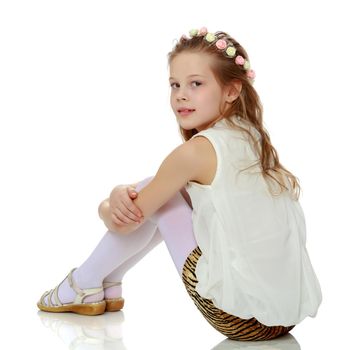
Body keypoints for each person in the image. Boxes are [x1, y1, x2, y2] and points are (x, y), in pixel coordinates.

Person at [37, 27, 322, 341]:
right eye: (175, 85)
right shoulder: (250, 138)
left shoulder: (195, 153)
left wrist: (107, 204)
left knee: (162, 196)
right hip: (283, 314)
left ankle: (82, 282)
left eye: (196, 84)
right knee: (165, 190)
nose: (181, 95)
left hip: (239, 315)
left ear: (231, 90)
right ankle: (108, 281)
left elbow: (126, 221)